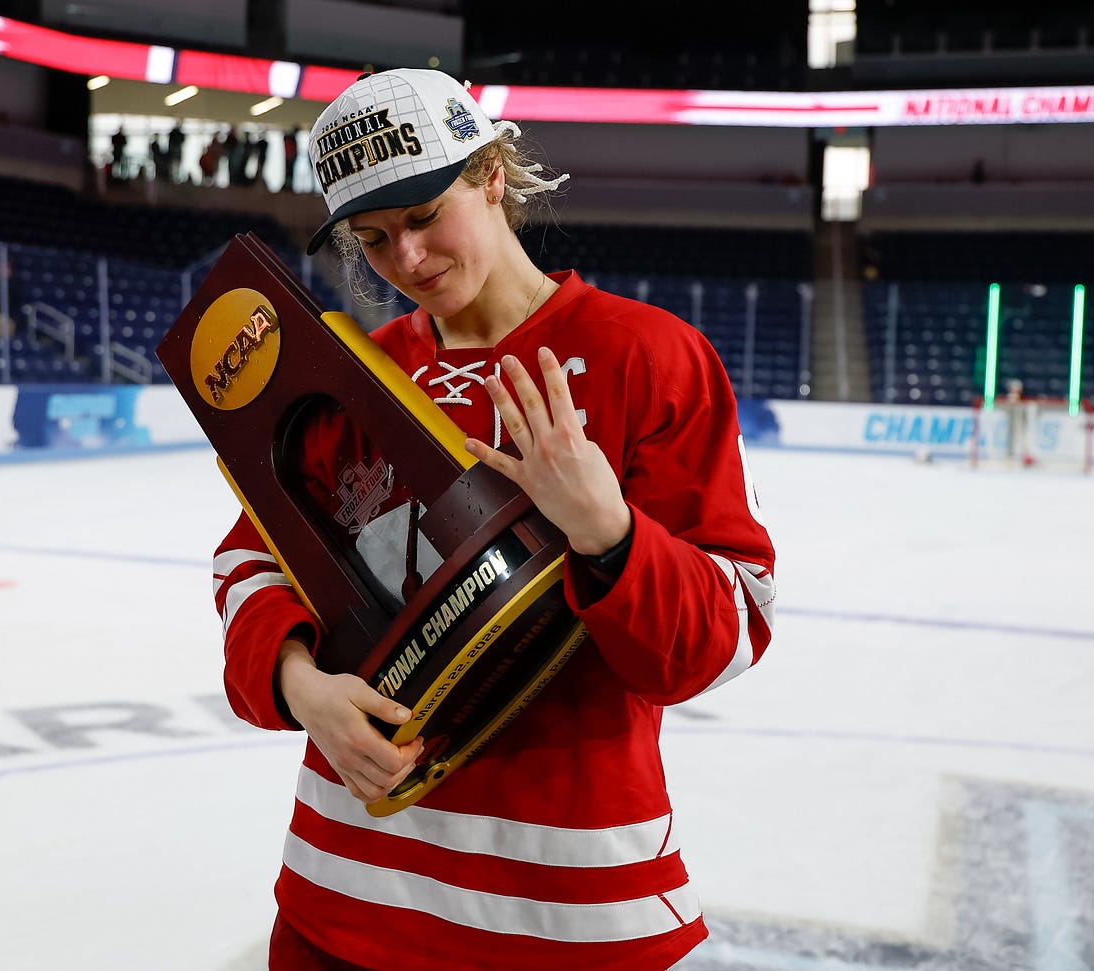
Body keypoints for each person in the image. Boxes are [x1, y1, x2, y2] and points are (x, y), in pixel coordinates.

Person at [209, 69, 777, 970]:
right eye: (373, 238)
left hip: (569, 918)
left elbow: (731, 628)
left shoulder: (649, 356)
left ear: (491, 176)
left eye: (426, 213)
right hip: (341, 896)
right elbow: (250, 560)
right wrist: (299, 687)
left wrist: (611, 534)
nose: (405, 260)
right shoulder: (350, 371)